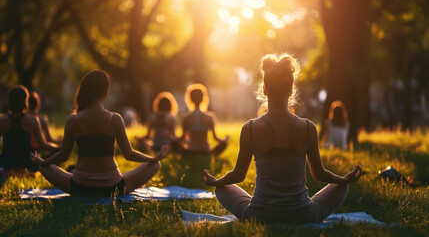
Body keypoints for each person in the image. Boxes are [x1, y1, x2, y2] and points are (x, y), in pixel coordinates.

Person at [201, 54, 362, 224]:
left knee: (221, 189)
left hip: (258, 216)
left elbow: (238, 175)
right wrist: (344, 179)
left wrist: (216, 181)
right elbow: (320, 174)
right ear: (291, 90)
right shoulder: (308, 127)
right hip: (302, 215)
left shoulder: (249, 128)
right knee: (342, 187)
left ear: (264, 89)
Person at [30, 70, 168, 197]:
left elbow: (63, 155)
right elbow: (129, 154)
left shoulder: (73, 120)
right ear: (105, 92)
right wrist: (153, 158)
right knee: (156, 165)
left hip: (79, 187)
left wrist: (43, 162)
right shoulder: (115, 119)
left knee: (43, 167)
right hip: (113, 188)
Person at [0, 86, 58, 173]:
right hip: (28, 163)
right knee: (55, 154)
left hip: (6, 163)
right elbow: (44, 145)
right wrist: (59, 148)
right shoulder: (33, 120)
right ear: (25, 101)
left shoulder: (2, 121)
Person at [175, 84, 229, 156]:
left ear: (190, 99)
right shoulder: (209, 117)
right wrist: (225, 140)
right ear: (203, 98)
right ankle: (212, 154)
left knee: (173, 144)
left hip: (191, 151)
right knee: (224, 144)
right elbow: (215, 138)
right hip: (206, 151)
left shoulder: (186, 118)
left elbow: (182, 138)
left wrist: (173, 139)